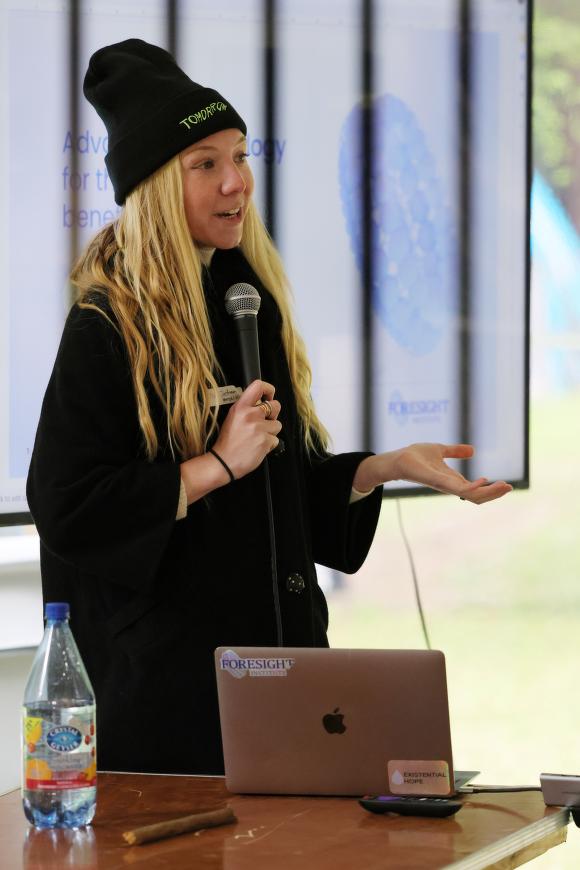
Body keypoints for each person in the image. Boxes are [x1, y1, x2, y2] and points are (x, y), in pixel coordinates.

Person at [26, 38, 512, 776]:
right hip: (170, 713)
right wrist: (212, 466)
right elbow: (66, 505)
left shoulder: (247, 303)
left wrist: (378, 469)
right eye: (207, 165)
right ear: (155, 185)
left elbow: (279, 497)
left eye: (242, 157)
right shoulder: (107, 326)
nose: (236, 184)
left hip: (287, 685)